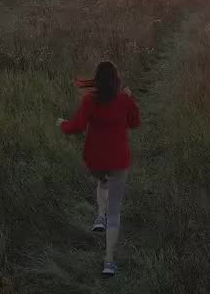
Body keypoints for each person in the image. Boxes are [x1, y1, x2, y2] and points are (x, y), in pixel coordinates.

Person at [57, 60, 141, 277]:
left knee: (102, 182)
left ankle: (99, 216)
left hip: (96, 160)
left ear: (98, 80)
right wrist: (131, 100)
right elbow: (134, 123)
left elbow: (76, 127)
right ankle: (108, 261)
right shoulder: (123, 100)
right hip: (119, 160)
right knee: (116, 211)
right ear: (115, 80)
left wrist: (61, 124)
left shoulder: (89, 101)